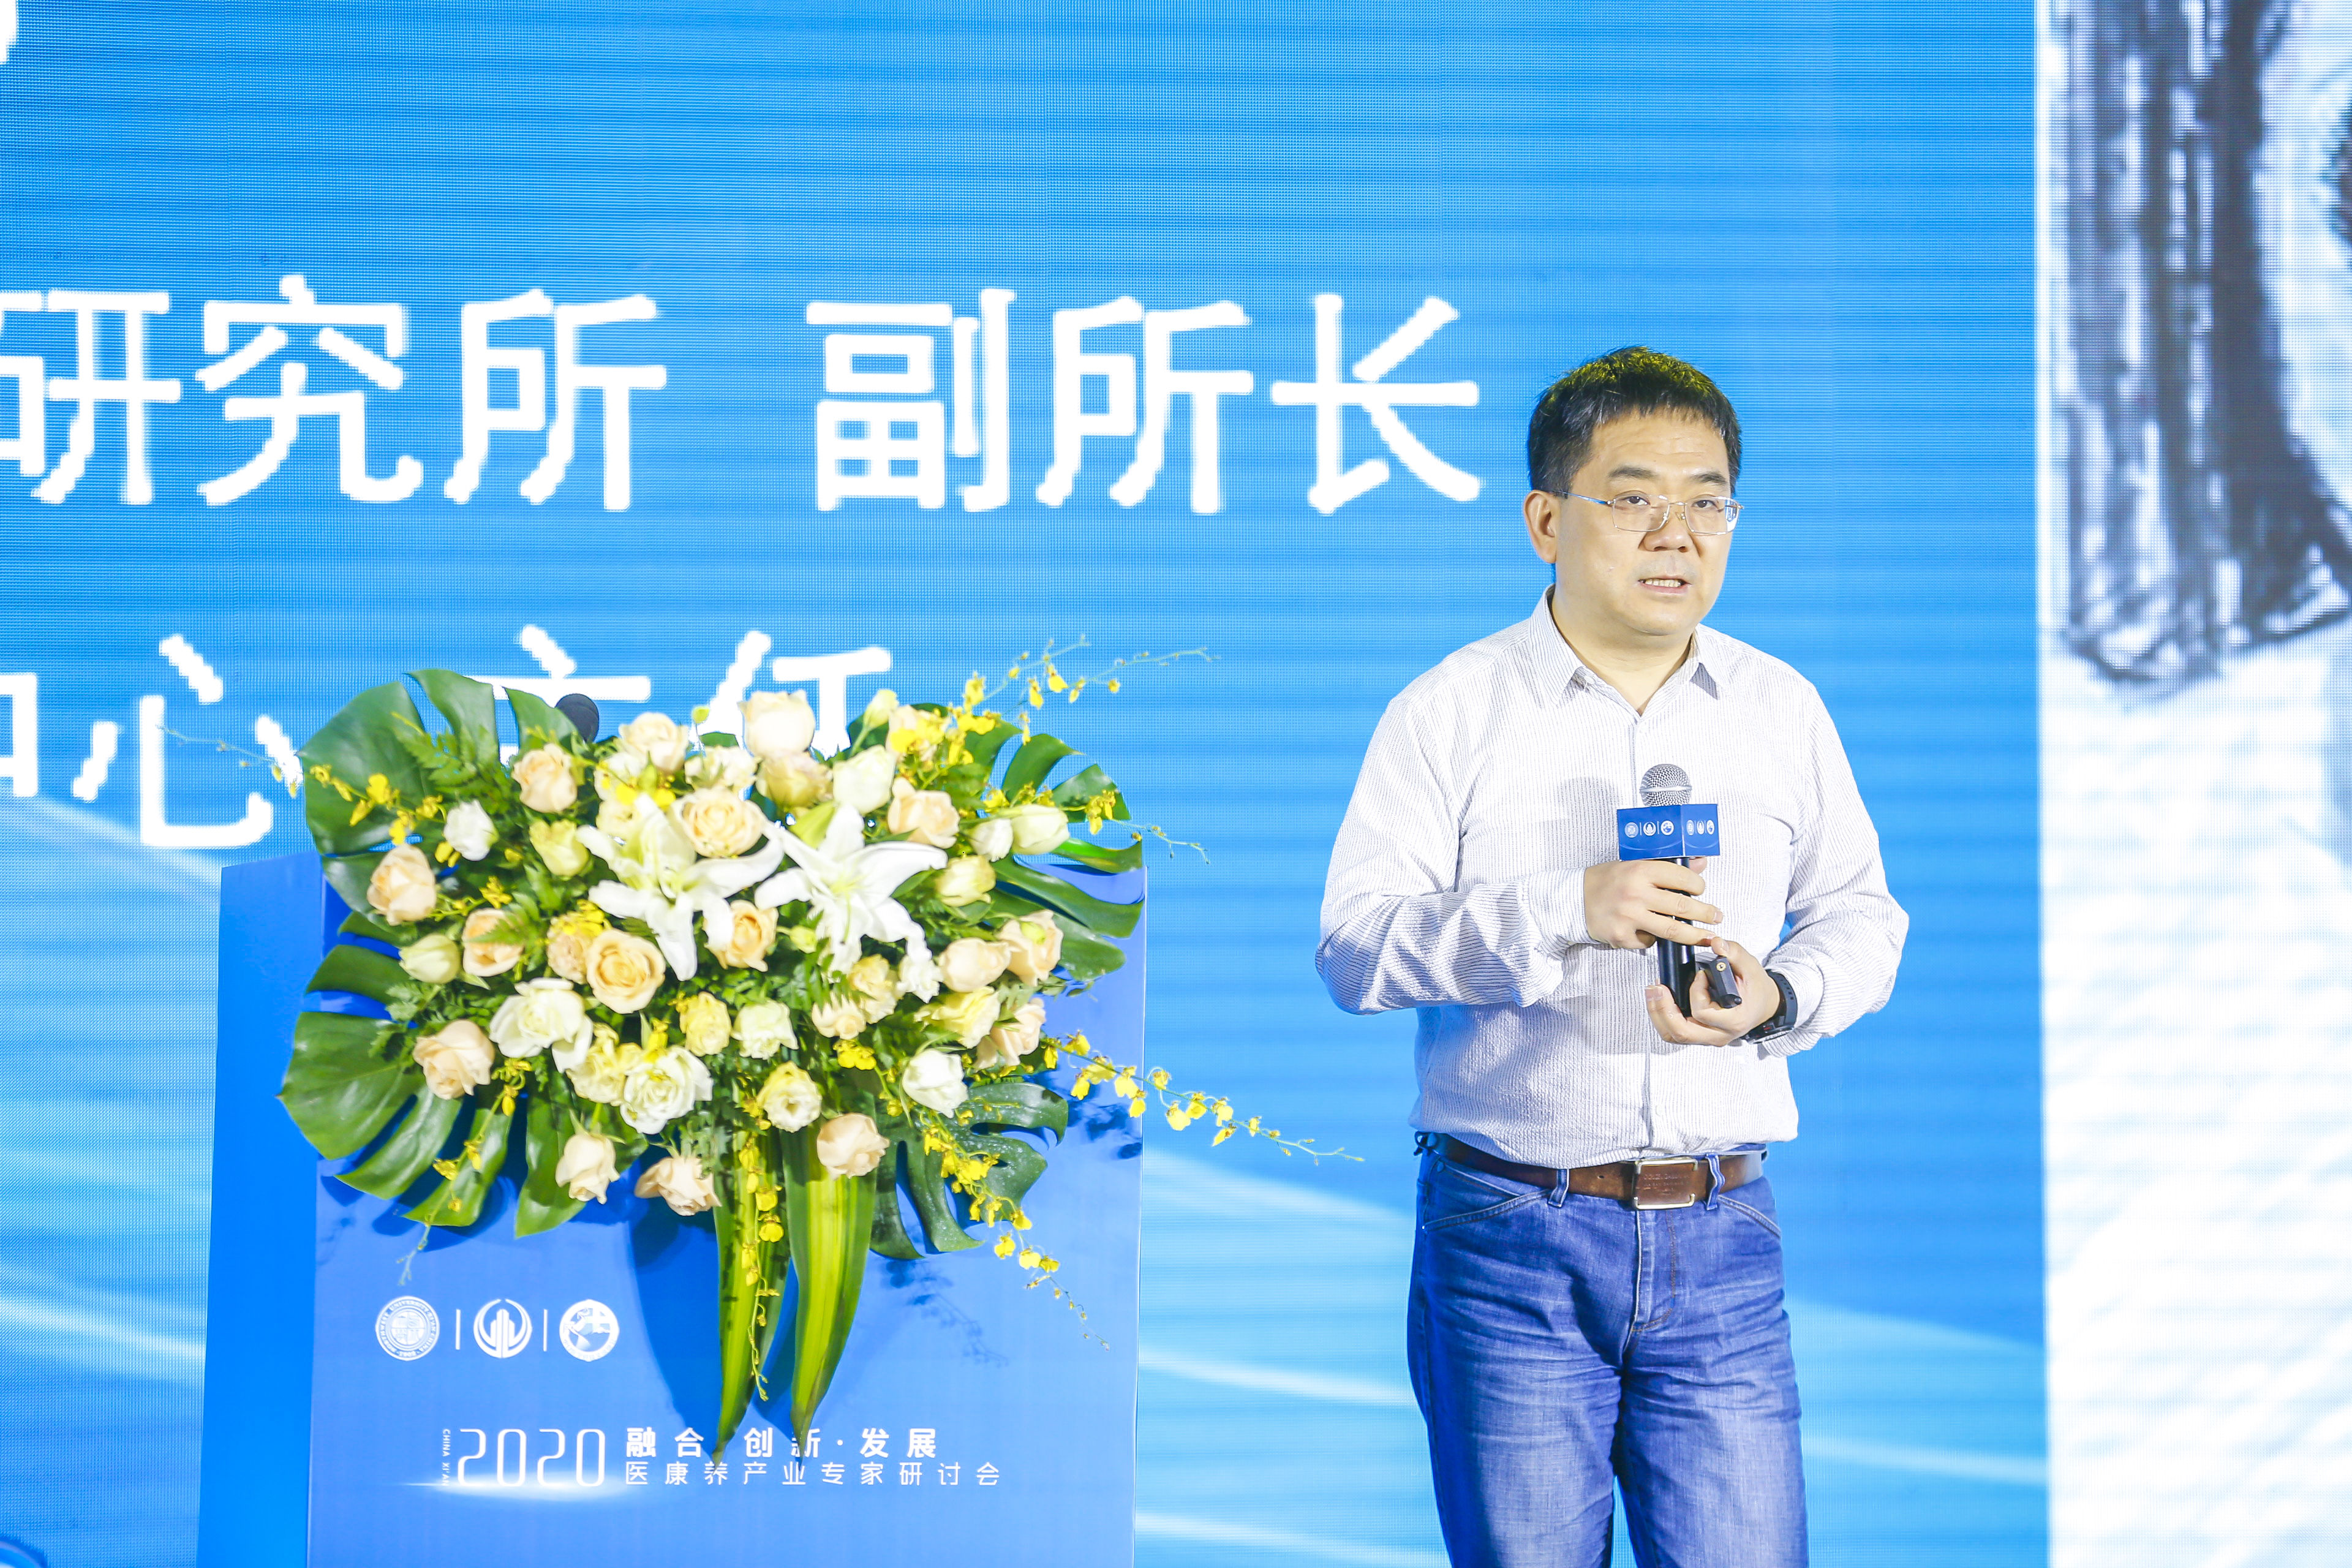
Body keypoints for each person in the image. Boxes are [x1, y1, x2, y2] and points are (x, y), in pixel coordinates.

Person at [1316, 347, 1907, 1567]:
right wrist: (1564, 909)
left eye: (1708, 501)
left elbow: (1862, 915)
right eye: (1634, 497)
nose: (1675, 533)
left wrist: (1777, 994)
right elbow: (1357, 948)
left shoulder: (1780, 707)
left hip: (1723, 1230)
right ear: (1547, 520)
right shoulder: (1452, 709)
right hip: (1513, 1230)